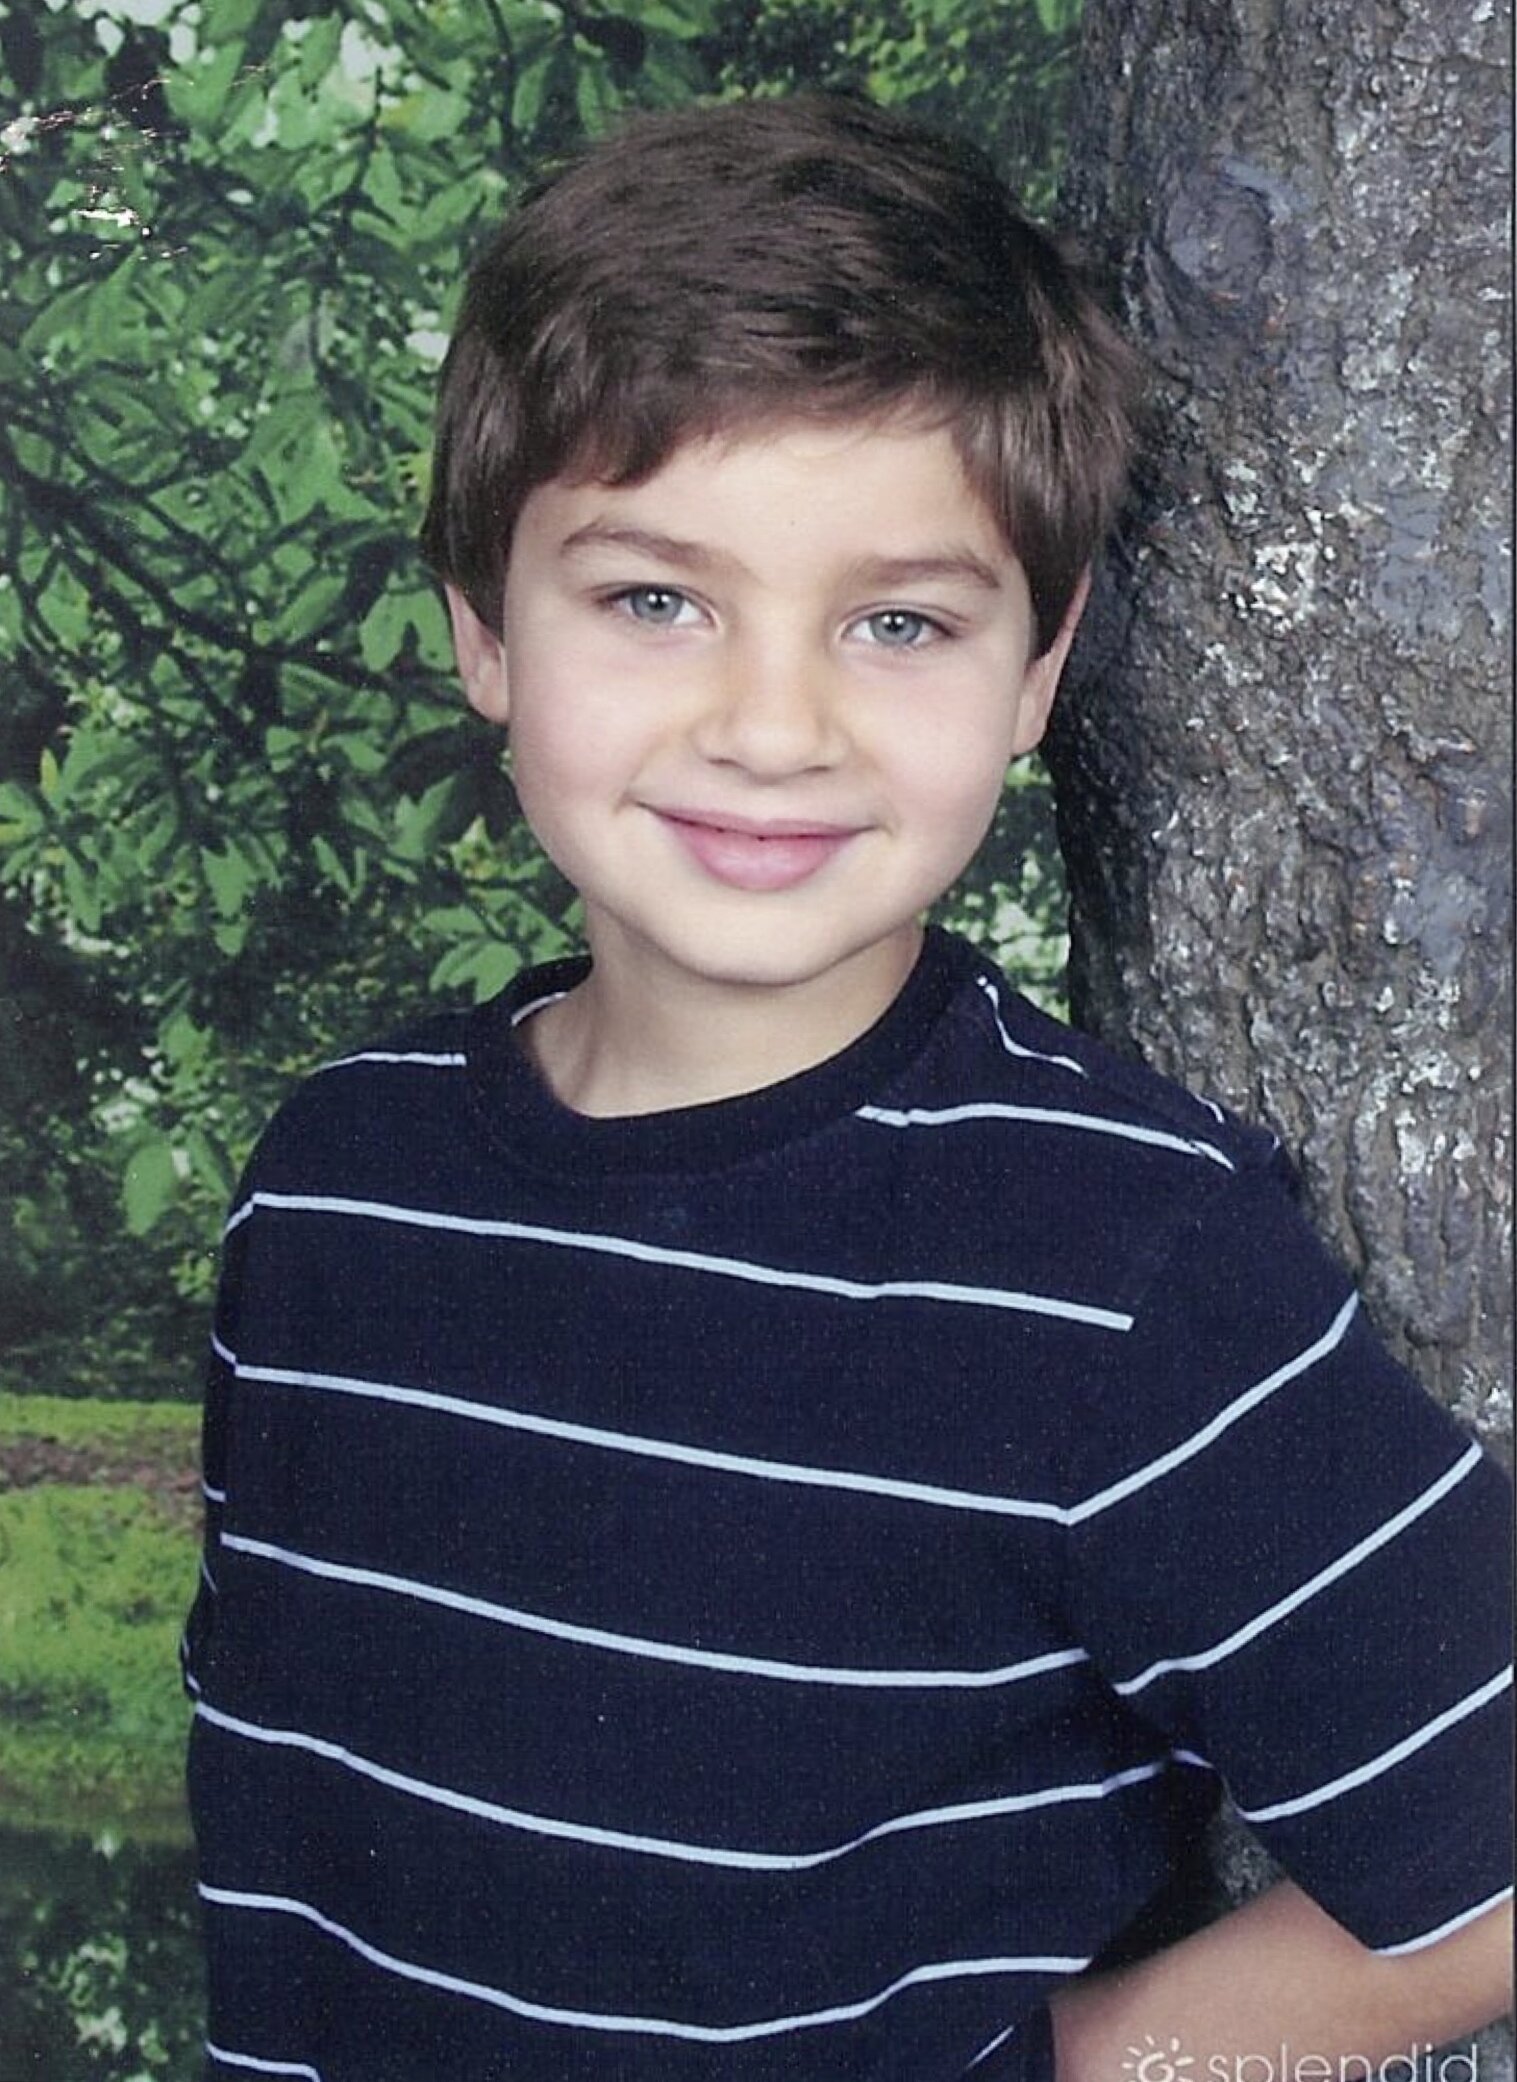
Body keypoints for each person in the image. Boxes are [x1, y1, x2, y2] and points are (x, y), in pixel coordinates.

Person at [182, 93, 1512, 2081]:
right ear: (483, 624)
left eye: (897, 622)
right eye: (655, 600)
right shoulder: (335, 1187)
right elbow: (286, 1844)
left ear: (1038, 675)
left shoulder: (1118, 1261)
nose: (774, 726)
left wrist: (1081, 2066)